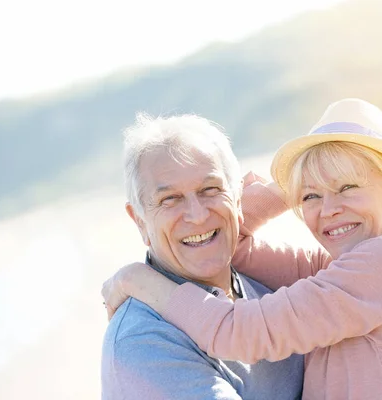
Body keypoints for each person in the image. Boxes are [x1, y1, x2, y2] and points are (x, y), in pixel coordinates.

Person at [103, 99, 382, 399]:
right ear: (139, 220)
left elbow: (237, 333)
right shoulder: (341, 272)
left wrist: (137, 279)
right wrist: (288, 186)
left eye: (349, 186)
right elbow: (236, 246)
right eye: (311, 196)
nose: (329, 209)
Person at [100, 114, 308, 400]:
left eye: (210, 190)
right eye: (169, 199)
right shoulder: (143, 342)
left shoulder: (268, 278)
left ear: (237, 198)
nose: (197, 216)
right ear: (139, 221)